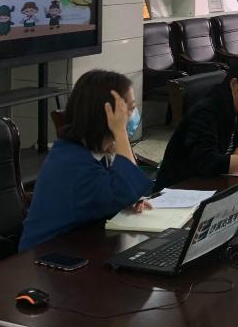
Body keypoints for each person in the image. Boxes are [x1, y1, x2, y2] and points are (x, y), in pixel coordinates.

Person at [20, 70, 153, 251]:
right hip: (44, 256)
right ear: (105, 116)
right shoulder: (70, 162)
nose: (132, 115)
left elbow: (125, 193)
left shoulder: (91, 151)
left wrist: (128, 200)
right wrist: (120, 133)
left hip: (79, 244)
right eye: (126, 110)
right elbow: (126, 189)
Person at [153, 57, 238, 190]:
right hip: (180, 188)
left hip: (216, 182)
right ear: (235, 85)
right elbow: (207, 162)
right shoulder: (206, 111)